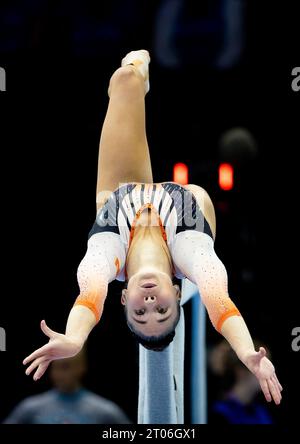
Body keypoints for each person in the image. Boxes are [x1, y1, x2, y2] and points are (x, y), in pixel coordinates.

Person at [23, 49, 282, 405]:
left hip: (122, 196)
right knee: (198, 198)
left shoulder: (105, 256)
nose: (149, 302)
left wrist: (75, 338)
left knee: (124, 80)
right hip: (184, 211)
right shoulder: (192, 254)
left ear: (125, 298)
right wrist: (247, 352)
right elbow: (220, 304)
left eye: (139, 312)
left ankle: (138, 80)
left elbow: (89, 298)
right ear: (177, 295)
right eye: (161, 310)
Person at [5, 349, 130, 424]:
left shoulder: (105, 412)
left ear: (81, 367)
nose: (59, 374)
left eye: (65, 367)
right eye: (55, 368)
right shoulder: (30, 409)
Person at [208, 339, 274, 424]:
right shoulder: (220, 412)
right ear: (241, 371)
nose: (269, 372)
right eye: (263, 367)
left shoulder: (260, 412)